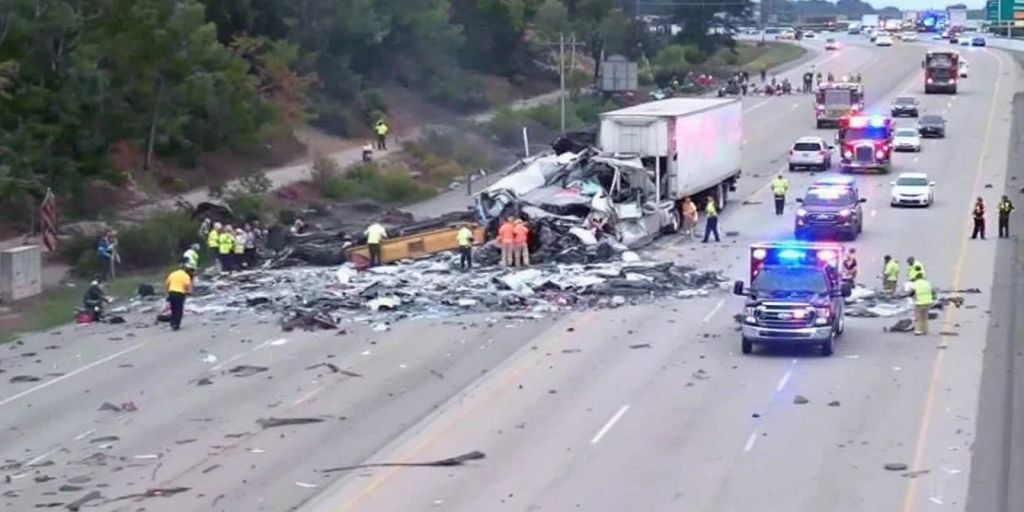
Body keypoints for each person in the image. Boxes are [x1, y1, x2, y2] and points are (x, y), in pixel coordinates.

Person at [164, 265, 193, 331]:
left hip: (171, 292)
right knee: (179, 309)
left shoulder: (173, 274)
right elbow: (188, 286)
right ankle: (176, 324)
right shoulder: (186, 276)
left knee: (173, 308)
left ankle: (172, 323)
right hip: (180, 293)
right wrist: (189, 292)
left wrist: (168, 291)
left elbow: (166, 283)